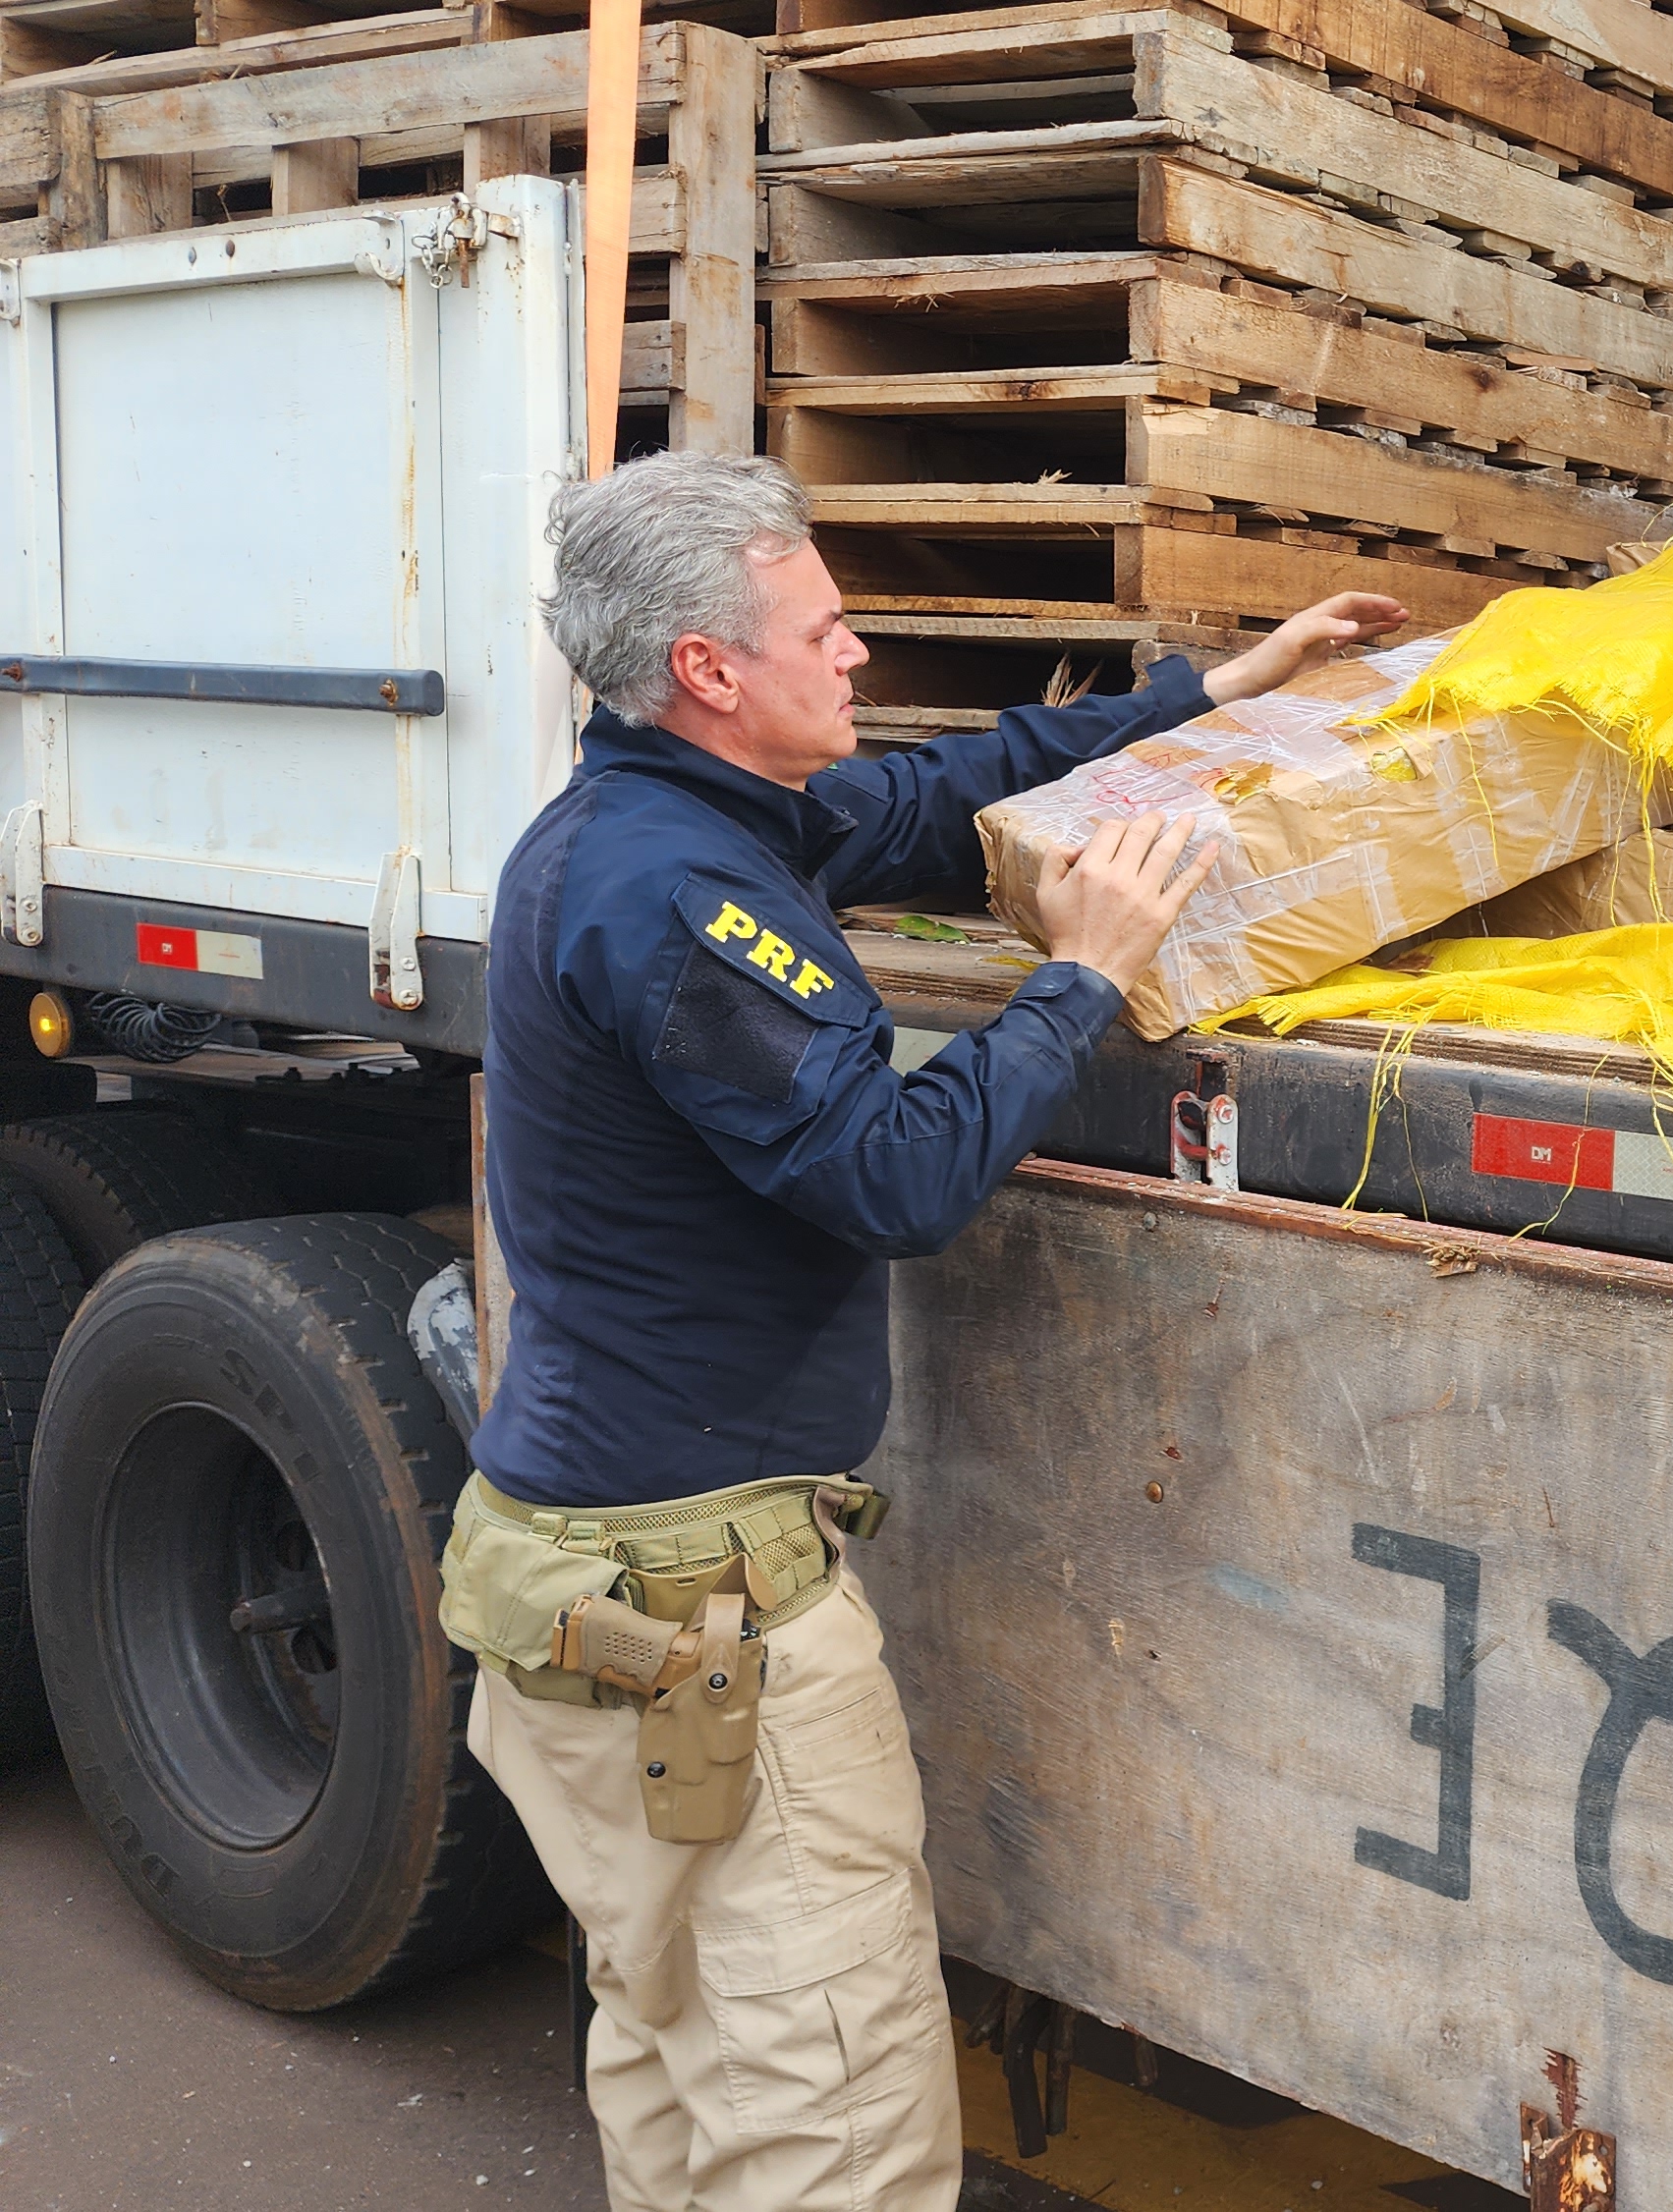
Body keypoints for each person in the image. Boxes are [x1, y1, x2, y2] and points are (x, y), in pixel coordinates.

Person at [434, 449, 1402, 2211]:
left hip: (579, 1573)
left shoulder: (665, 819)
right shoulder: (676, 900)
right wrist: (1080, 978)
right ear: (712, 671)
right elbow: (893, 1176)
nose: (864, 654)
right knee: (836, 2133)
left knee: (674, 2063)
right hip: (698, 1620)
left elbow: (934, 797)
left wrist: (1210, 694)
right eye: (827, 626)